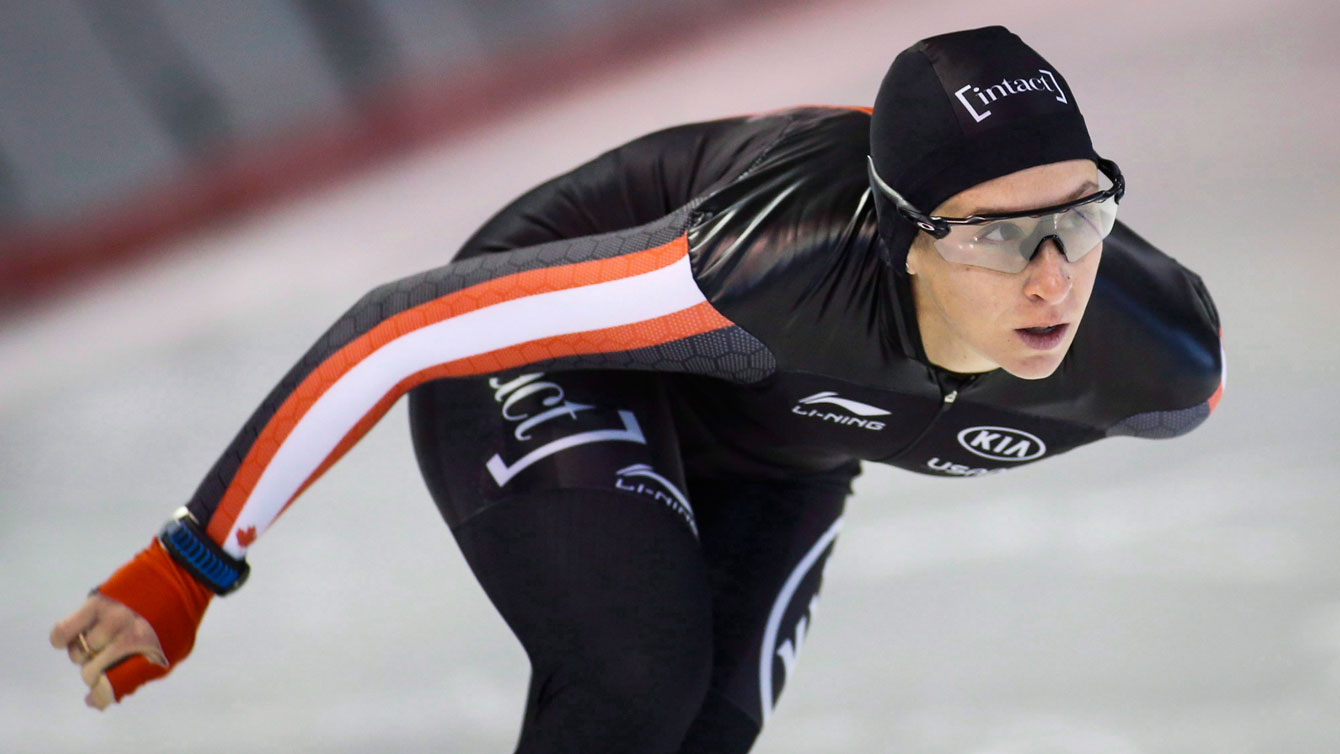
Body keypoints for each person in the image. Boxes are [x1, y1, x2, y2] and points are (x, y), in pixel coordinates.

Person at [50, 25, 1223, 753]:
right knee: (633, 683)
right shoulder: (764, 267)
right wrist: (193, 562)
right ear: (901, 236)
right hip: (574, 348)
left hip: (769, 436)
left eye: (1079, 215)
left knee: (705, 730)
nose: (1053, 278)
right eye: (997, 238)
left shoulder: (1156, 355)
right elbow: (399, 327)